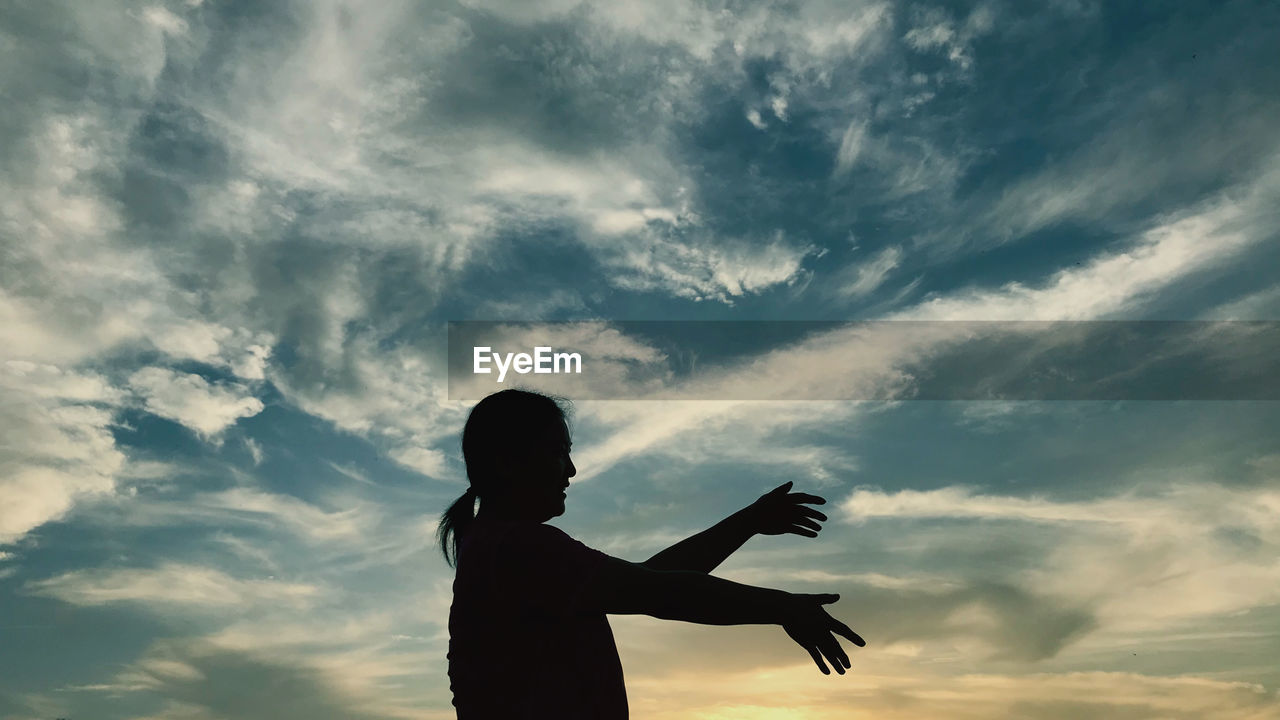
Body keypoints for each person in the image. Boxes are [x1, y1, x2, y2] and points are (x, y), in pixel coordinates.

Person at [440, 389, 865, 719]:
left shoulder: (502, 548)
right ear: (507, 462)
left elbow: (649, 580)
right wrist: (784, 606)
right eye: (557, 452)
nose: (570, 470)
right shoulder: (520, 548)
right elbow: (661, 592)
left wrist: (746, 523)